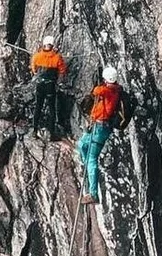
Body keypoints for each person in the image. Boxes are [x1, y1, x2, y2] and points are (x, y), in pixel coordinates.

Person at [76, 65, 129, 203]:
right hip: (98, 126)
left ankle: (93, 193)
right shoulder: (116, 90)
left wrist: (102, 83)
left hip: (100, 127)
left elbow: (97, 90)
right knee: (81, 144)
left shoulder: (108, 90)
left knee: (92, 158)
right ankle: (87, 168)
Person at [30, 35, 67, 138]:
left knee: (38, 106)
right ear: (52, 45)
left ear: (44, 44)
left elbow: (34, 69)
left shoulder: (37, 56)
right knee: (52, 109)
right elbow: (62, 70)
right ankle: (51, 134)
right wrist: (59, 81)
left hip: (40, 85)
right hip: (50, 85)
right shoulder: (57, 57)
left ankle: (34, 131)